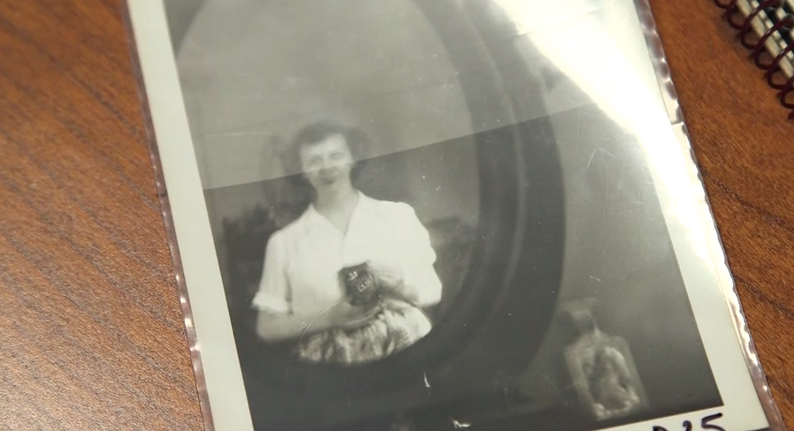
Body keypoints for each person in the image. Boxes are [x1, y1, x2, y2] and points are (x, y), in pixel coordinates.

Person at [251, 121, 443, 364]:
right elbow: (266, 328)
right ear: (300, 170)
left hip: (407, 350)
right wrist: (328, 318)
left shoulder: (397, 216)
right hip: (330, 365)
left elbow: (432, 291)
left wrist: (401, 287)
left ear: (354, 158)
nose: (327, 167)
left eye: (336, 155)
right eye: (314, 161)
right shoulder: (284, 242)